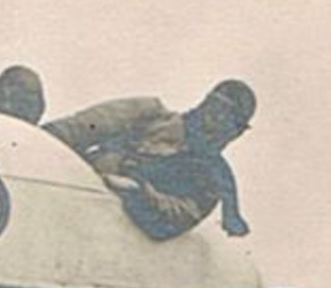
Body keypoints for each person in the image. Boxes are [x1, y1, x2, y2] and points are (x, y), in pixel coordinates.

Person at [43, 79, 256, 241]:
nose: (215, 124)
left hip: (104, 238)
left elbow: (174, 221)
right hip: (59, 199)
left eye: (231, 124)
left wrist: (139, 191)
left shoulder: (212, 179)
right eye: (214, 110)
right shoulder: (147, 114)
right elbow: (75, 129)